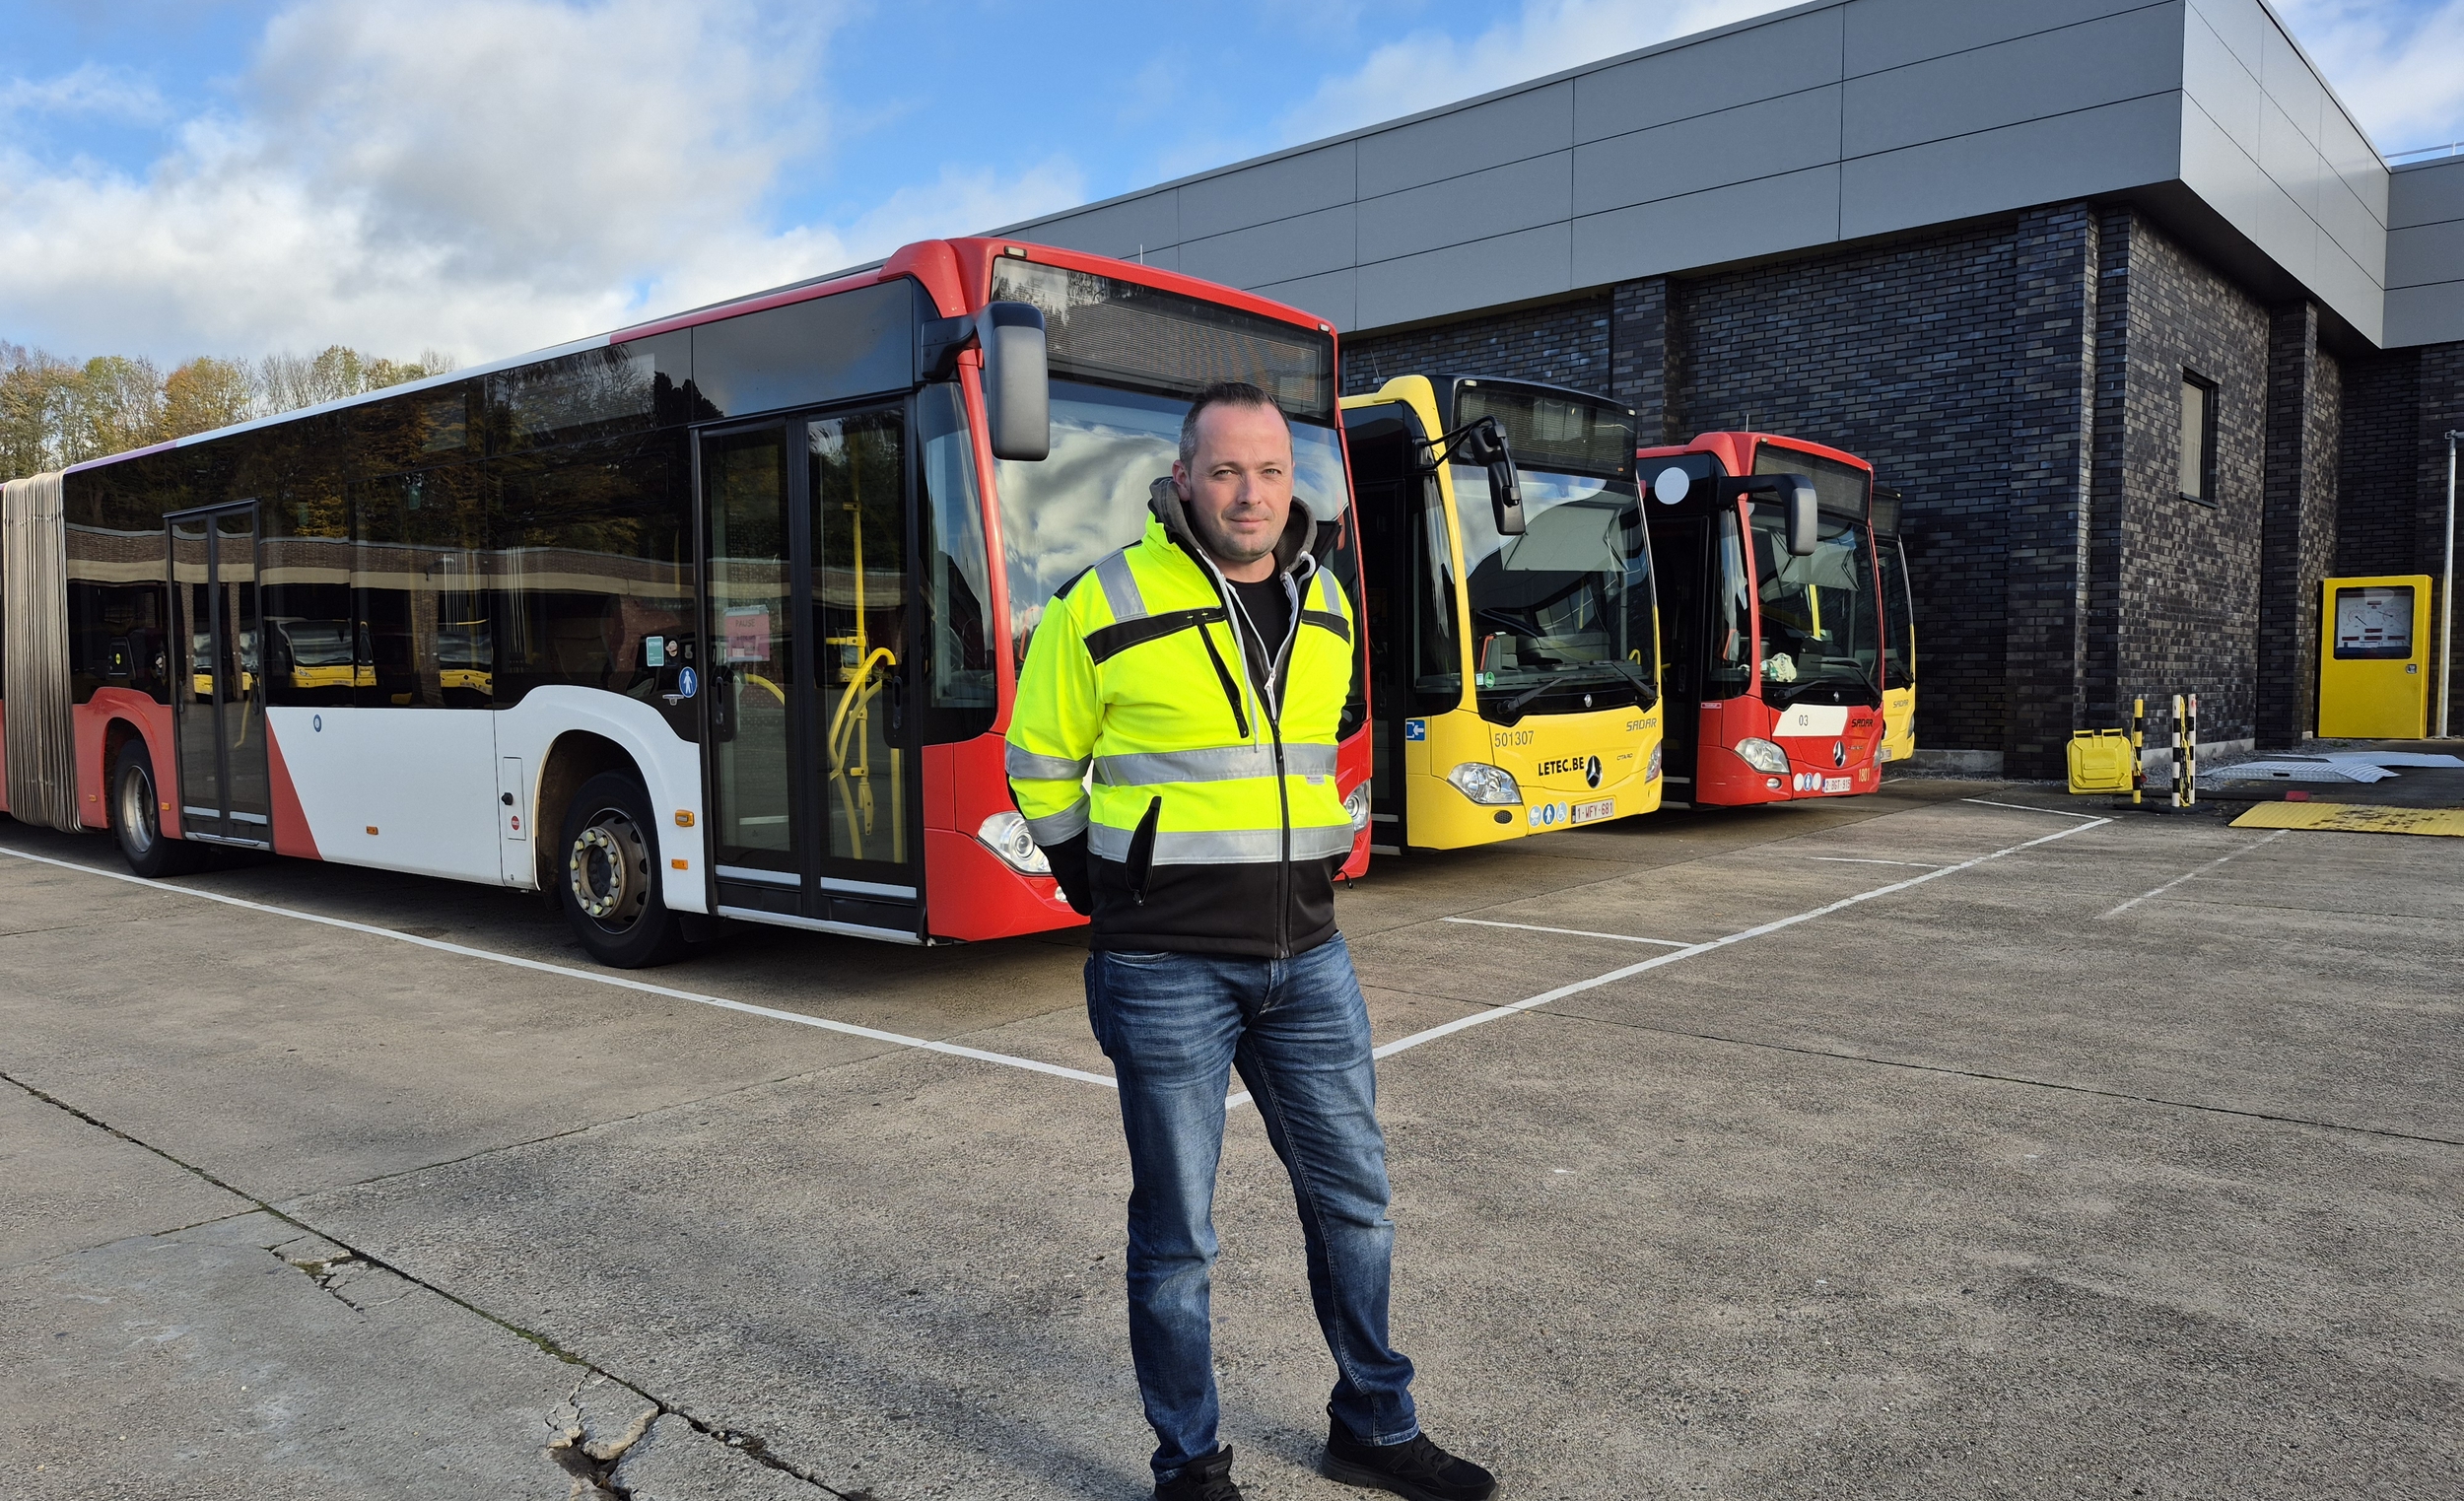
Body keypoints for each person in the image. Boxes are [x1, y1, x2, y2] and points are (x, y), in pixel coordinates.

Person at [1007, 381, 1498, 1501]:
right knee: (1178, 1235)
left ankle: (1373, 1423)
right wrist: (1105, 885)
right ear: (1184, 478)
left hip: (1308, 955)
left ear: (1293, 483)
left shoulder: (1327, 603)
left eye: (1270, 471)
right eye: (1226, 470)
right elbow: (1039, 758)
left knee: (1357, 1201)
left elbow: (1309, 758)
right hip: (1163, 964)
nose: (1250, 493)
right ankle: (1190, 1464)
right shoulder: (1105, 598)